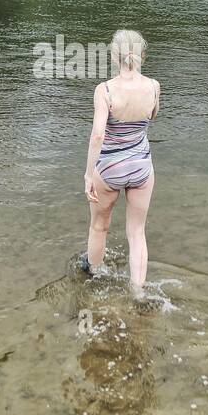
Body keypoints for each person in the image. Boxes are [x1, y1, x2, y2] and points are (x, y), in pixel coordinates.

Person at [81, 29, 160, 295]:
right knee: (137, 232)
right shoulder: (153, 87)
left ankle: (94, 275)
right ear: (142, 56)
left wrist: (89, 175)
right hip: (141, 167)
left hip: (109, 168)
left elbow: (98, 135)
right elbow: (152, 116)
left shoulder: (104, 90)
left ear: (114, 57)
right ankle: (138, 291)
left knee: (99, 225)